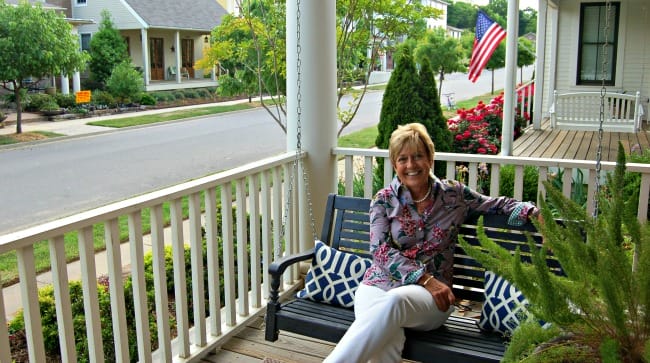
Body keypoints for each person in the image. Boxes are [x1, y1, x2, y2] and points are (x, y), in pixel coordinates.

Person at [323, 123, 538, 363]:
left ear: (430, 159)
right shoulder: (383, 200)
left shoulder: (453, 195)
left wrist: (533, 212)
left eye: (418, 156)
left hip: (432, 299)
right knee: (386, 343)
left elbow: (496, 205)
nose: (411, 165)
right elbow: (380, 252)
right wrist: (424, 278)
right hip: (377, 284)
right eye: (402, 159)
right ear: (395, 164)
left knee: (393, 303)